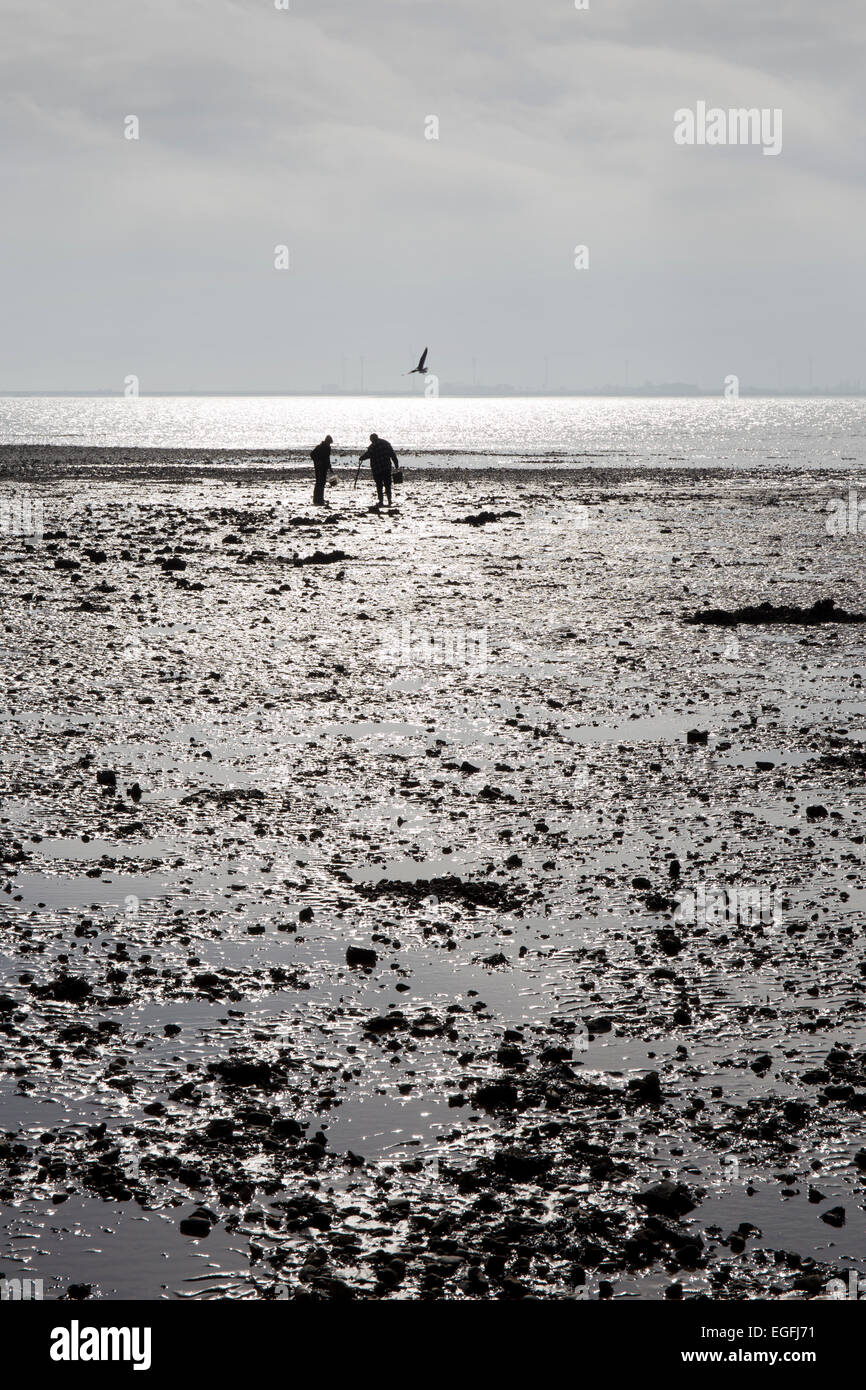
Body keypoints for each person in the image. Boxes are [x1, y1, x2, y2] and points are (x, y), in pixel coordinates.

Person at [359, 433, 399, 508]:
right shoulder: (386, 443)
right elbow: (392, 454)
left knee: (379, 485)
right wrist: (396, 464)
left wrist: (361, 458)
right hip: (387, 467)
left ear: (372, 439)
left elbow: (368, 454)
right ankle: (389, 500)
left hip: (377, 468)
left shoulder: (373, 446)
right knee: (388, 484)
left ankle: (381, 501)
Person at [310, 435, 334, 505]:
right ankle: (318, 499)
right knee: (320, 483)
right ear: (328, 441)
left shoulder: (321, 446)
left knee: (320, 483)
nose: (329, 444)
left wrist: (329, 468)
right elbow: (312, 455)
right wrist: (318, 461)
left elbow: (327, 459)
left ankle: (318, 499)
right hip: (320, 467)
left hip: (321, 467)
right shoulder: (322, 447)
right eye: (329, 442)